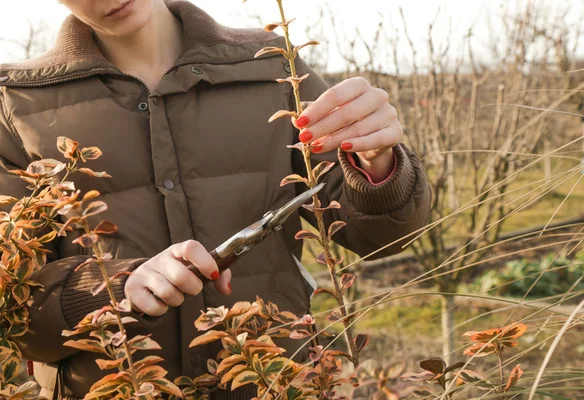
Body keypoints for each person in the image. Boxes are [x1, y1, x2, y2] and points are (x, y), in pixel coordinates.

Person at [0, 0, 431, 398]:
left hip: (275, 381)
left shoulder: (272, 65)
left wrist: (377, 164)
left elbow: (382, 238)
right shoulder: (16, 104)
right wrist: (111, 289)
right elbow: (12, 304)